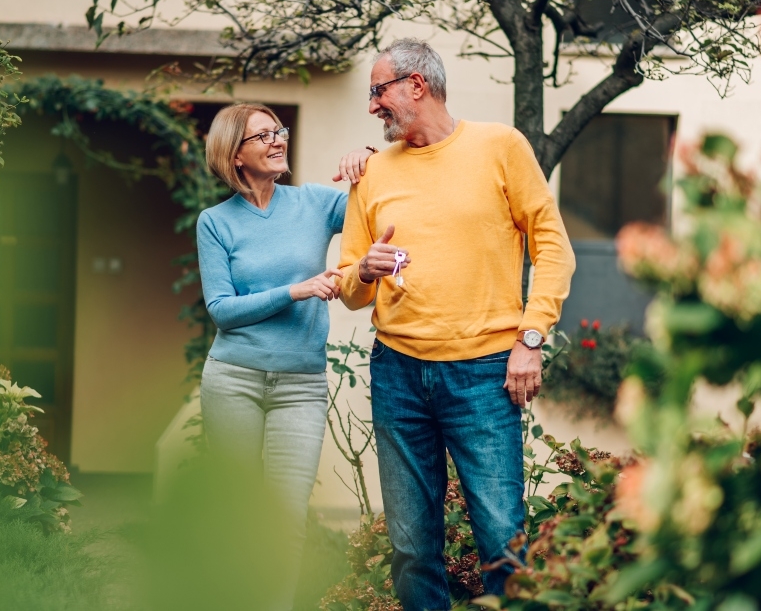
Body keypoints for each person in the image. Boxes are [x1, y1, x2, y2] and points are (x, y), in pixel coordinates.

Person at [336, 39, 577, 611]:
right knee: (412, 547)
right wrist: (363, 271)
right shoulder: (372, 172)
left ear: (416, 85)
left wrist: (531, 338)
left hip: (484, 375)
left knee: (501, 542)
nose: (372, 107)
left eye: (378, 91)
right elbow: (348, 284)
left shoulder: (500, 147)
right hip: (397, 373)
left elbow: (553, 246)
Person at [196, 102, 370, 610]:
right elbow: (222, 311)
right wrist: (295, 291)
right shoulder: (215, 222)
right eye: (263, 136)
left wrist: (370, 159)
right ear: (235, 156)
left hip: (301, 386)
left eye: (280, 130)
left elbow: (375, 207)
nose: (278, 141)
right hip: (234, 379)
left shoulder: (314, 203)